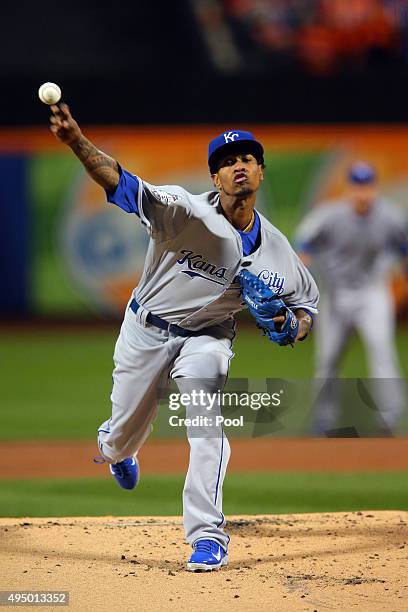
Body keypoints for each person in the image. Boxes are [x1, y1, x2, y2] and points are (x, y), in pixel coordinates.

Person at [49, 104, 319, 571]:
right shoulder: (183, 211)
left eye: (248, 158)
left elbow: (307, 309)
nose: (239, 165)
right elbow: (119, 181)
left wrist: (289, 327)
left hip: (208, 339)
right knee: (120, 437)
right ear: (215, 178)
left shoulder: (278, 252)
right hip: (146, 330)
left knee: (208, 422)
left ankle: (207, 535)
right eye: (227, 161)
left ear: (261, 171)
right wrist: (76, 140)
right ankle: (116, 448)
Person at [296, 161, 408, 434]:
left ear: (375, 188)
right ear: (348, 189)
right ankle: (323, 419)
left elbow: (404, 248)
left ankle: (389, 417)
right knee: (328, 359)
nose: (362, 193)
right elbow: (304, 244)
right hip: (335, 294)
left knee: (382, 350)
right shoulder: (329, 215)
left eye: (367, 186)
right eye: (357, 186)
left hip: (372, 293)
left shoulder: (391, 217)